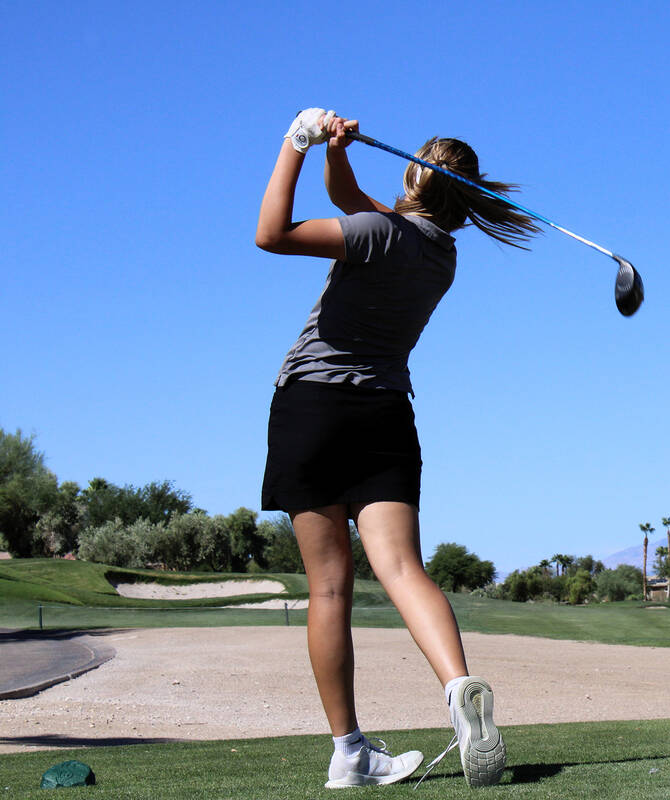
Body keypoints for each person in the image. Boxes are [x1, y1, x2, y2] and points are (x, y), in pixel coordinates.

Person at [256, 108, 537, 789]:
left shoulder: (380, 234)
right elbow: (353, 205)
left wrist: (296, 141)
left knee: (328, 590)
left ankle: (349, 752)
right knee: (404, 570)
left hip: (312, 407)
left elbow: (272, 235)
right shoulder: (440, 254)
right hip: (384, 415)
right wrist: (337, 152)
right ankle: (457, 686)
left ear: (413, 175)